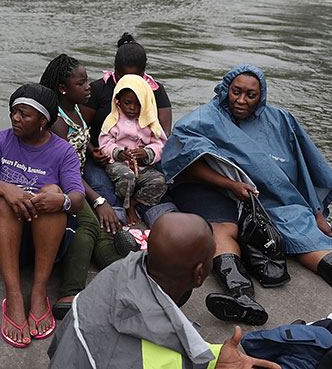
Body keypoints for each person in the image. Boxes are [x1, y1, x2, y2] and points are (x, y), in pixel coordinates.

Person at [161, 64, 332, 326]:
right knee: (222, 229)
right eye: (235, 92)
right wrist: (230, 185)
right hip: (217, 191)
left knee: (304, 231)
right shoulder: (204, 119)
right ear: (224, 90)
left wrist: (317, 212)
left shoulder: (280, 121)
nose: (241, 100)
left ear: (261, 96)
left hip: (268, 198)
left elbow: (303, 168)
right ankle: (241, 295)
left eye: (250, 95)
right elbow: (185, 160)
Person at [47, 212, 282, 369]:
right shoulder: (157, 360)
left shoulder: (115, 273)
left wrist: (212, 358)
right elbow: (159, 355)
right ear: (199, 274)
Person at [0, 83, 86, 348]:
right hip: (2, 239)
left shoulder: (63, 151)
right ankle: (13, 296)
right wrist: (5, 188)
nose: (15, 118)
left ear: (43, 121)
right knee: (1, 201)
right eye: (14, 111)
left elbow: (78, 200)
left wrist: (62, 200)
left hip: (45, 242)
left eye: (24, 114)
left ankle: (38, 291)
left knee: (52, 193)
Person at [39, 54, 125, 320]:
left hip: (77, 176)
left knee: (104, 228)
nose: (89, 87)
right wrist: (98, 200)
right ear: (63, 88)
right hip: (59, 182)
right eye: (82, 83)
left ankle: (121, 272)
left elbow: (81, 134)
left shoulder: (75, 108)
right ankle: (70, 292)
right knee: (87, 222)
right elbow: (65, 168)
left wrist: (91, 149)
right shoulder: (56, 122)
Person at [81, 33, 173, 223]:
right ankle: (117, 223)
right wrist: (95, 152)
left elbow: (162, 136)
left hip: (144, 160)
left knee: (163, 183)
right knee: (104, 189)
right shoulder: (99, 89)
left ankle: (147, 213)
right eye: (123, 76)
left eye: (136, 76)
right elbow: (81, 128)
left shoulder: (154, 92)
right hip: (105, 157)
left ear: (144, 72)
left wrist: (146, 153)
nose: (132, 107)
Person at [99, 74, 168, 223]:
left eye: (138, 104)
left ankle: (135, 202)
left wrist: (147, 153)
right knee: (127, 177)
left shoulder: (150, 121)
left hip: (142, 167)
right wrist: (118, 153)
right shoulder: (113, 120)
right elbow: (104, 144)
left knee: (160, 180)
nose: (132, 108)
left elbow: (160, 144)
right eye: (128, 103)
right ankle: (127, 207)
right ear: (118, 101)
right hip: (119, 165)